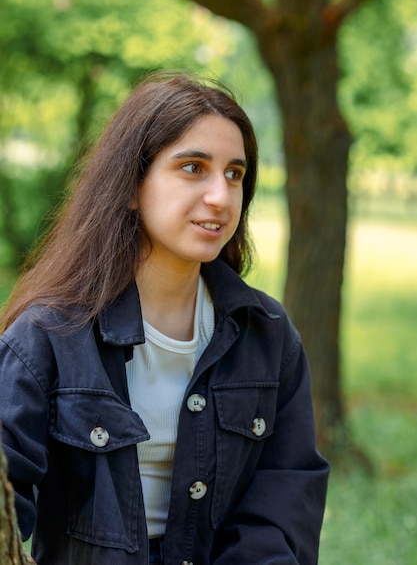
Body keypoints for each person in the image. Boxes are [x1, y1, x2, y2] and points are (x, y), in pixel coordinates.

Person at [0, 71, 329, 565]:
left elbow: (285, 504)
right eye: (193, 167)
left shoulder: (268, 335)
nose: (220, 196)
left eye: (234, 174)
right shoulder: (47, 337)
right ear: (132, 186)